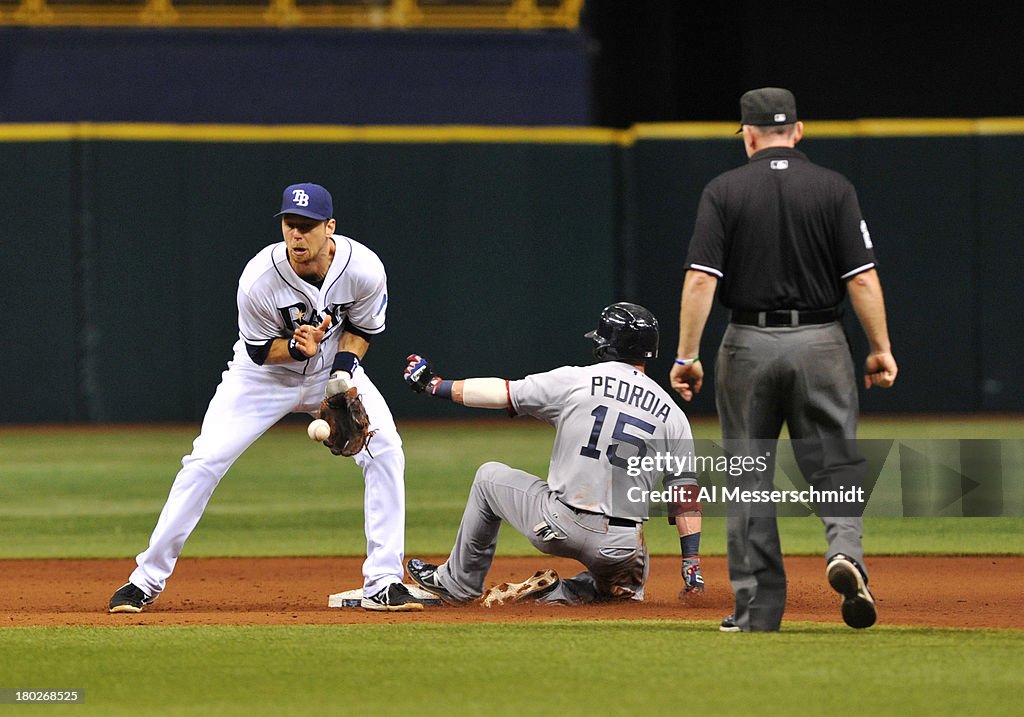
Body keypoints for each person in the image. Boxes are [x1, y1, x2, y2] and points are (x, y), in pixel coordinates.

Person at [108, 183, 423, 613]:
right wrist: (294, 348)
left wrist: (341, 377)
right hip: (259, 380)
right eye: (290, 225)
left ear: (329, 227)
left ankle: (383, 582)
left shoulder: (363, 268)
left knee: (386, 449)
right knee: (204, 462)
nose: (296, 235)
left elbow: (363, 329)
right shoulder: (259, 279)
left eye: (307, 226)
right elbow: (259, 351)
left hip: (331, 374)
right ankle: (144, 581)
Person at [669, 88, 898, 632]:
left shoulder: (724, 190)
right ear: (798, 130)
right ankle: (845, 552)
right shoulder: (834, 188)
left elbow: (701, 277)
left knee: (748, 474)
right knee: (836, 462)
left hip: (747, 341)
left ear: (747, 134)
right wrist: (880, 347)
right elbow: (861, 278)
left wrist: (687, 355)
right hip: (821, 340)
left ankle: (758, 610)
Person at [403, 302, 704, 607]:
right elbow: (685, 495)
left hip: (561, 523)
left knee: (487, 477)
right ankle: (560, 594)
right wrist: (691, 562)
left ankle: (458, 585)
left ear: (605, 345)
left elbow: (503, 393)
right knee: (623, 590)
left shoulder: (577, 380)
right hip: (621, 544)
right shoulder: (673, 414)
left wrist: (434, 385)